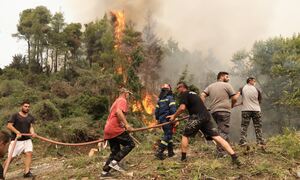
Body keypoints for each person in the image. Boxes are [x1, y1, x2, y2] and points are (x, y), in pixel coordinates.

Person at [167, 82, 240, 166]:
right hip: (206, 116)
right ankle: (234, 157)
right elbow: (196, 106)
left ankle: (183, 159)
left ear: (182, 87)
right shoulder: (194, 94)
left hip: (197, 117)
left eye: (178, 88)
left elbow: (182, 108)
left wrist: (173, 116)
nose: (177, 90)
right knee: (216, 137)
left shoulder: (185, 93)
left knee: (185, 135)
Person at [200, 72, 240, 156]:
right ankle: (220, 152)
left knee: (221, 129)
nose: (228, 78)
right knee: (223, 131)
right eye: (227, 76)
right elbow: (234, 98)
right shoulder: (227, 85)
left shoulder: (210, 86)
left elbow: (202, 95)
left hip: (214, 111)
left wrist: (203, 107)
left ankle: (228, 148)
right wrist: (232, 105)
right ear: (221, 77)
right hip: (224, 111)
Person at [101, 87, 135, 177]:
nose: (128, 96)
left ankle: (104, 172)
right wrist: (127, 125)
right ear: (125, 93)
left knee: (115, 151)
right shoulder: (122, 100)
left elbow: (114, 115)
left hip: (108, 128)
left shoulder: (116, 101)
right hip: (114, 128)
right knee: (130, 144)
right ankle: (114, 162)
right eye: (128, 94)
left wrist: (122, 124)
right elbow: (119, 112)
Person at [6, 100, 36, 178]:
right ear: (21, 106)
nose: (27, 108)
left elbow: (31, 127)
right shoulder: (15, 115)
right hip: (16, 140)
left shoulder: (30, 117)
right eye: (25, 106)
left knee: (29, 153)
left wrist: (33, 133)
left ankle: (27, 172)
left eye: (28, 107)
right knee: (11, 157)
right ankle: (2, 173)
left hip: (27, 139)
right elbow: (9, 126)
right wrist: (17, 132)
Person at [238, 77, 265, 146]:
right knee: (258, 126)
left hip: (246, 110)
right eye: (254, 81)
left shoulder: (242, 88)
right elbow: (260, 100)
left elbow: (238, 95)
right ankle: (260, 141)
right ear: (250, 81)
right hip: (256, 110)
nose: (255, 82)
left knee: (244, 126)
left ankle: (242, 141)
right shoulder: (257, 90)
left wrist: (242, 101)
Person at [154, 84, 177, 160]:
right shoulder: (170, 98)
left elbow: (156, 111)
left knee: (169, 135)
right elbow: (173, 109)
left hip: (162, 120)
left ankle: (171, 153)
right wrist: (175, 118)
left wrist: (158, 120)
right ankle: (159, 151)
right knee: (168, 135)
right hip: (168, 119)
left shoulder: (160, 100)